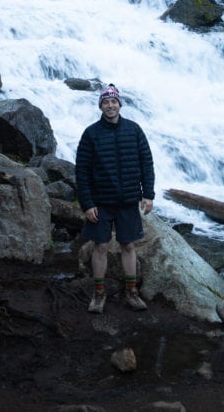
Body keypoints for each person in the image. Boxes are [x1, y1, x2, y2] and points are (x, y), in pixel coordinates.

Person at [74, 83, 155, 313]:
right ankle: (99, 294)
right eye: (106, 102)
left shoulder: (134, 130)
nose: (110, 105)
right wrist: (87, 204)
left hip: (128, 200)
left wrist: (148, 194)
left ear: (119, 104)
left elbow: (146, 163)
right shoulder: (91, 134)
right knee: (100, 247)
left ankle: (132, 292)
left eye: (113, 101)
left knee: (128, 245)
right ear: (101, 106)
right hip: (101, 203)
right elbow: (82, 171)